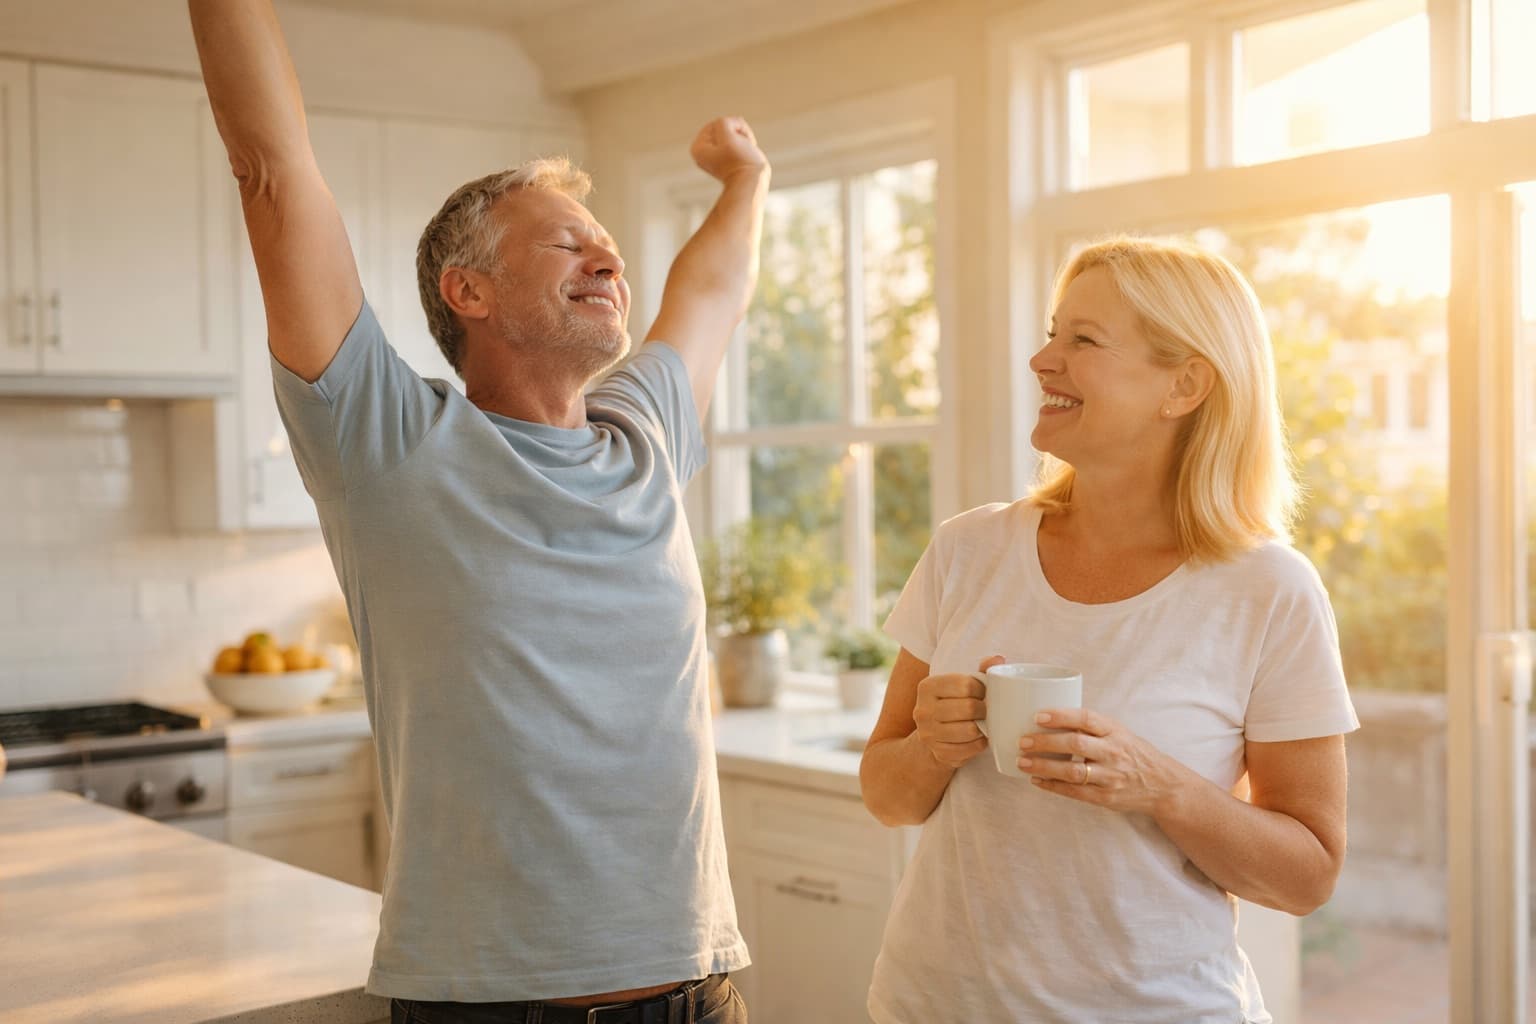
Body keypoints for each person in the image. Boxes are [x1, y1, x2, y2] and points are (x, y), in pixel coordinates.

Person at [187, 3, 766, 1021]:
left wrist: (746, 179)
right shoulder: (385, 438)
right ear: (470, 291)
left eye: (608, 247)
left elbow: (712, 291)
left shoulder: (646, 434)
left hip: (698, 993)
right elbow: (272, 170)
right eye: (567, 245)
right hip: (490, 1007)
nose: (608, 262)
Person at [858, 236, 1358, 1022]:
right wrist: (931, 746)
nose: (1041, 361)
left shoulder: (1269, 590)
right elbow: (887, 795)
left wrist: (1159, 786)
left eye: (1083, 340)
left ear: (1184, 385)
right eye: (1052, 333)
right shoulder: (968, 548)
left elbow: (1307, 877)